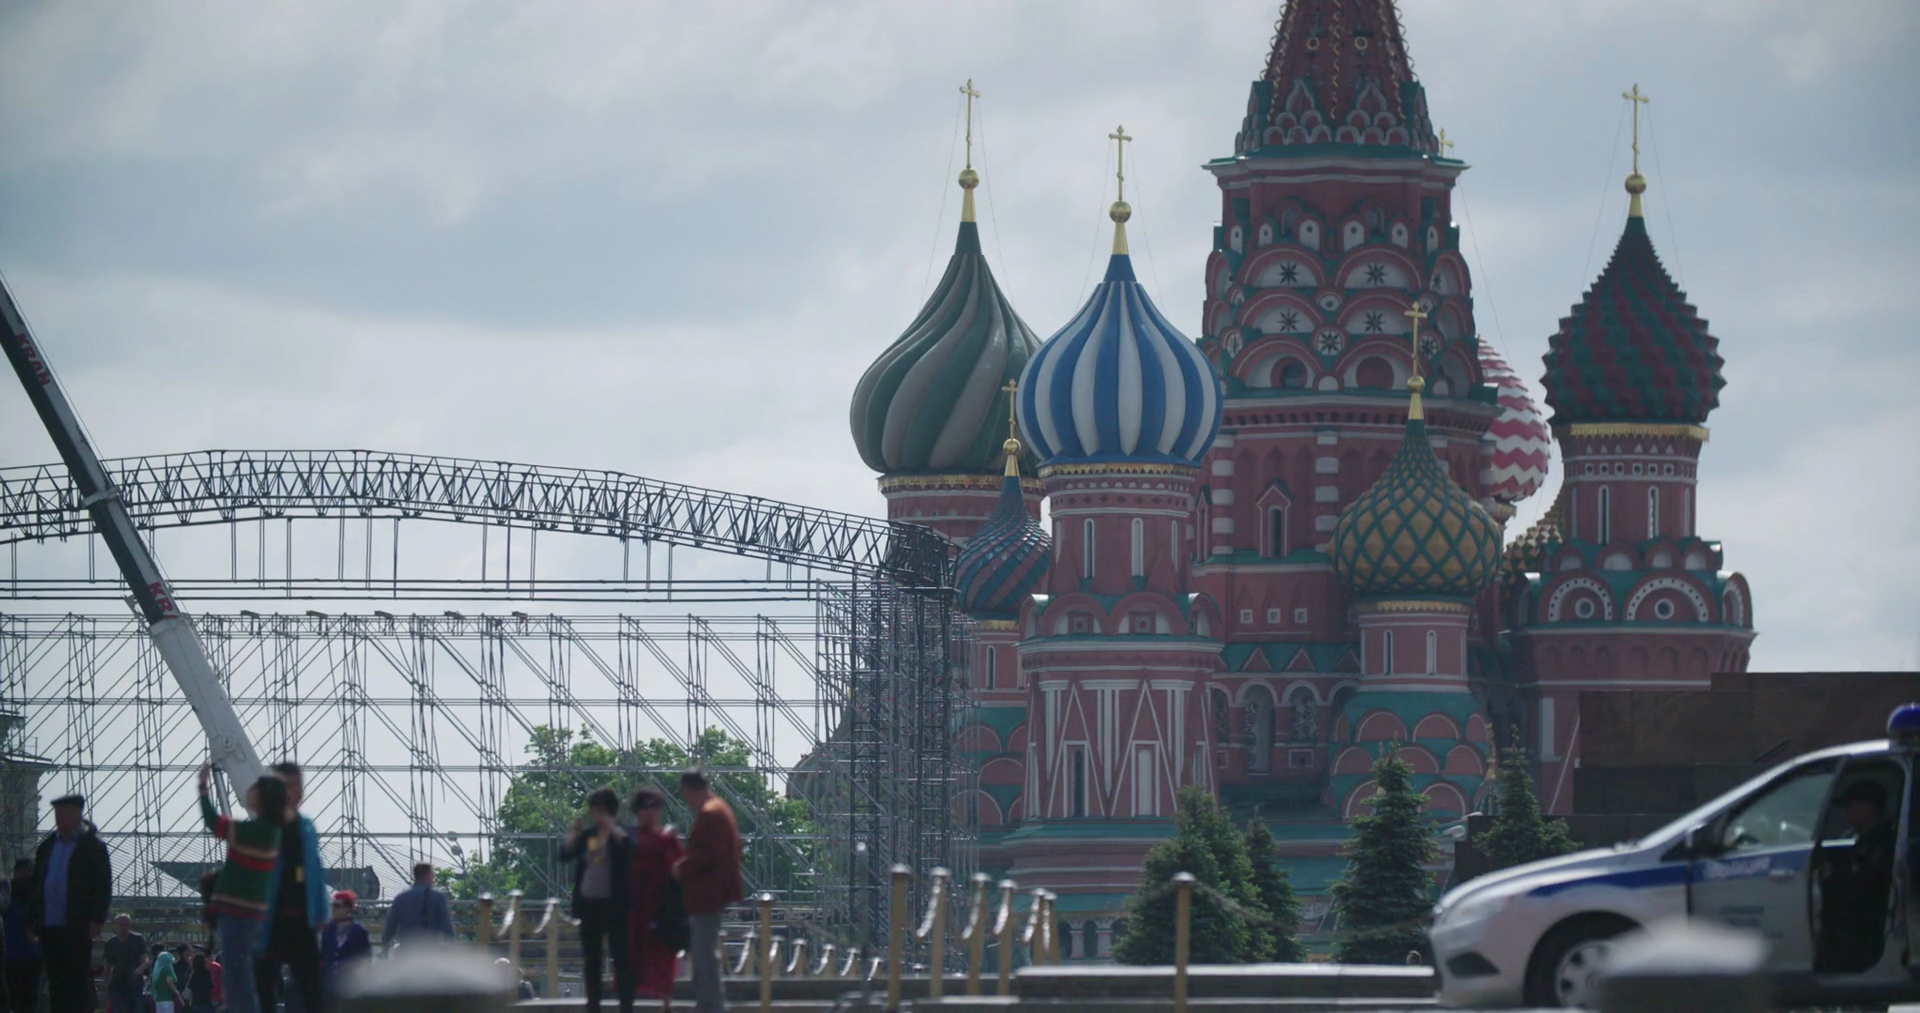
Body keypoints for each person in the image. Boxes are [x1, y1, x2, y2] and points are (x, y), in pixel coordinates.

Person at [197, 766, 285, 1013]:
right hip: (255, 915)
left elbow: (213, 822)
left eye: (255, 788)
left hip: (237, 915)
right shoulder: (273, 832)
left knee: (238, 979)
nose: (249, 790)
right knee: (245, 976)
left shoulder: (253, 831)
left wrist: (203, 790)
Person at [28, 794, 113, 1013]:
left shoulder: (92, 847)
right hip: (50, 925)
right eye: (56, 813)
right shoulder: (48, 846)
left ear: (77, 814)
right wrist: (33, 919)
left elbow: (102, 885)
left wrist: (96, 919)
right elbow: (37, 885)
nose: (58, 818)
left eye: (63, 812)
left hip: (77, 925)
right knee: (55, 983)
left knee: (75, 981)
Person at [257, 762, 327, 1013]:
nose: (290, 793)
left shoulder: (306, 827)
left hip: (302, 922)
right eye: (283, 786)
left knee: (313, 991)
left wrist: (321, 911)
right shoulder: (261, 828)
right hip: (269, 922)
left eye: (294, 786)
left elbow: (316, 872)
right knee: (263, 990)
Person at [558, 787, 635, 1013]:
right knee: (592, 960)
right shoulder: (588, 836)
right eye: (594, 809)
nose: (596, 814)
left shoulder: (622, 835)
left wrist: (612, 828)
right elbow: (564, 855)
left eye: (601, 809)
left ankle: (626, 1006)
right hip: (589, 905)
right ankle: (593, 1005)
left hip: (615, 907)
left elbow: (632, 851)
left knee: (621, 958)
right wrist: (574, 834)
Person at [673, 771, 741, 1013]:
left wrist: (681, 868)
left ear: (688, 789)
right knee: (704, 951)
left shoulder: (710, 814)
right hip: (713, 891)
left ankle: (711, 1005)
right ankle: (709, 1003)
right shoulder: (720, 808)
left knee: (704, 953)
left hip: (707, 892)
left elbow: (707, 854)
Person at [1817, 779, 1898, 972]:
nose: (1846, 812)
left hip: (1867, 929)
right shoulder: (1864, 840)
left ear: (1868, 807)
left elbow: (1864, 889)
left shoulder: (1882, 844)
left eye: (1850, 805)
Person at [626, 788, 684, 1011]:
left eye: (655, 806)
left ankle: (666, 1006)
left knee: (664, 958)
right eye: (645, 806)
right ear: (637, 810)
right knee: (632, 959)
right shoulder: (628, 838)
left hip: (661, 909)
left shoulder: (667, 839)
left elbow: (680, 870)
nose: (650, 811)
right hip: (634, 909)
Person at [378, 865, 452, 949]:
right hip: (431, 948)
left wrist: (385, 946)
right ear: (428, 876)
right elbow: (446, 924)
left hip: (407, 948)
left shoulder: (401, 898)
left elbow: (391, 925)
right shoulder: (438, 897)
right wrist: (449, 945)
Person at [5, 860, 43, 1013]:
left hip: (8, 953)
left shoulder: (6, 893)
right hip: (34, 953)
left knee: (10, 999)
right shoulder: (40, 893)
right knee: (30, 999)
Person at [318, 891, 371, 994]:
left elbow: (366, 956)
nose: (334, 909)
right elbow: (323, 953)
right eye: (333, 906)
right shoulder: (328, 929)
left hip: (350, 980)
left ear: (348, 908)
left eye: (337, 906)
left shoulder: (359, 931)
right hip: (328, 980)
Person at [101, 915, 148, 1013]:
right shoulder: (111, 943)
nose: (123, 928)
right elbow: (107, 967)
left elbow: (145, 960)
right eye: (121, 925)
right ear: (116, 926)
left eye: (126, 925)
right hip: (117, 984)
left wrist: (139, 970)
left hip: (134, 984)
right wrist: (106, 987)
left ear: (130, 925)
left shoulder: (138, 939)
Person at [149, 945, 178, 1013]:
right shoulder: (168, 968)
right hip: (167, 999)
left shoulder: (157, 970)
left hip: (158, 1000)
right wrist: (177, 993)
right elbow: (169, 982)